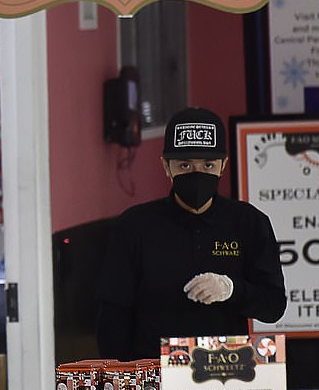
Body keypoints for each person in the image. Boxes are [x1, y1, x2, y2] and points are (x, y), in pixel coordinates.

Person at [97, 106, 286, 361]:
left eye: (208, 165)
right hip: (154, 374)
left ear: (223, 166)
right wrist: (122, 379)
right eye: (185, 165)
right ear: (166, 166)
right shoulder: (134, 226)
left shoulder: (249, 223)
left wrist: (231, 289)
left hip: (226, 370)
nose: (196, 174)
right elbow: (113, 313)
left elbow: (273, 305)